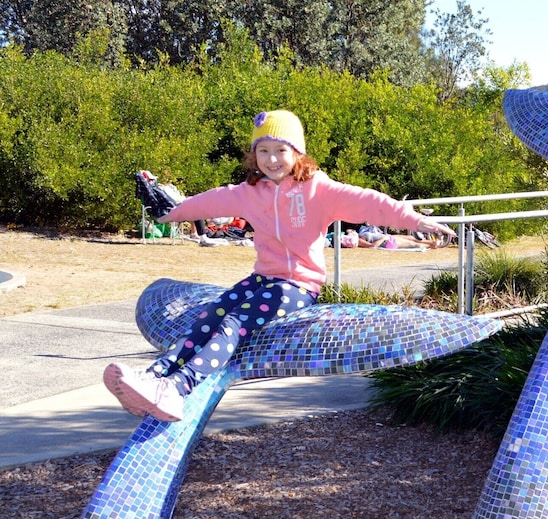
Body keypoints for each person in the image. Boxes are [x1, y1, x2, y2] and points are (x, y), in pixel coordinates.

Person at [104, 109, 455, 422]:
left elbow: (369, 202)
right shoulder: (249, 191)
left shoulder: (318, 189)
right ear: (254, 155)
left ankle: (179, 387)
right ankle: (154, 376)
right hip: (263, 278)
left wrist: (415, 221)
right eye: (263, 151)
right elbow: (207, 203)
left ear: (297, 153)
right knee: (211, 314)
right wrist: (169, 212)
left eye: (280, 150)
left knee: (234, 323)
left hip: (298, 286)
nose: (272, 159)